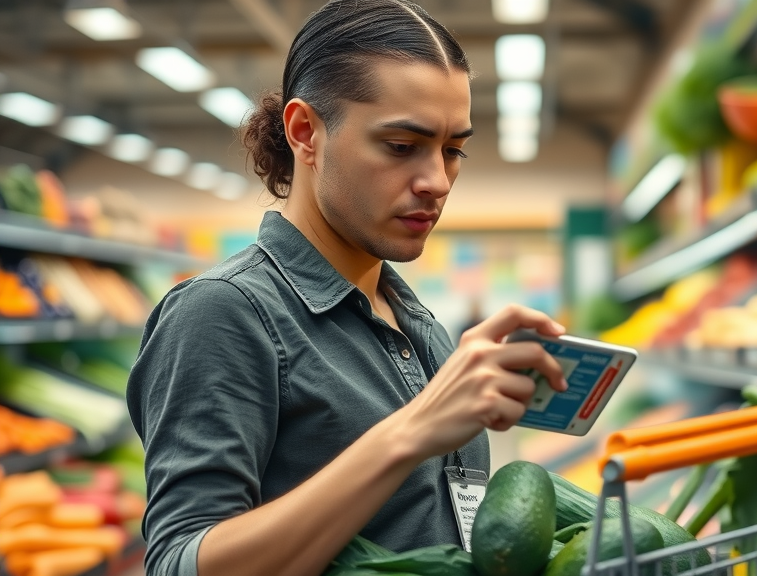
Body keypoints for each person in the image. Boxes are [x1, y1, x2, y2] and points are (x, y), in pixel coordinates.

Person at [125, 2, 567, 575]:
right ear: (305, 132)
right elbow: (179, 564)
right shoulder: (224, 312)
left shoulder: (420, 327)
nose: (437, 181)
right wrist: (411, 431)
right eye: (402, 146)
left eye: (453, 150)